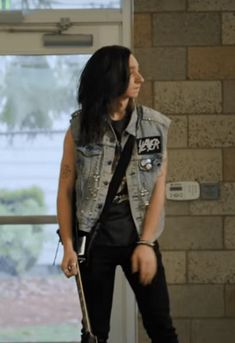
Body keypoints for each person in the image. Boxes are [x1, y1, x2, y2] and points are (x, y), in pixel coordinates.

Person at [57, 45, 178, 343]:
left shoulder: (155, 127)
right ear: (112, 77)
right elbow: (65, 188)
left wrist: (147, 243)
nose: (141, 78)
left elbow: (158, 187)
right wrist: (69, 247)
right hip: (95, 243)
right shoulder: (80, 127)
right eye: (132, 72)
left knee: (161, 326)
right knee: (95, 333)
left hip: (139, 237)